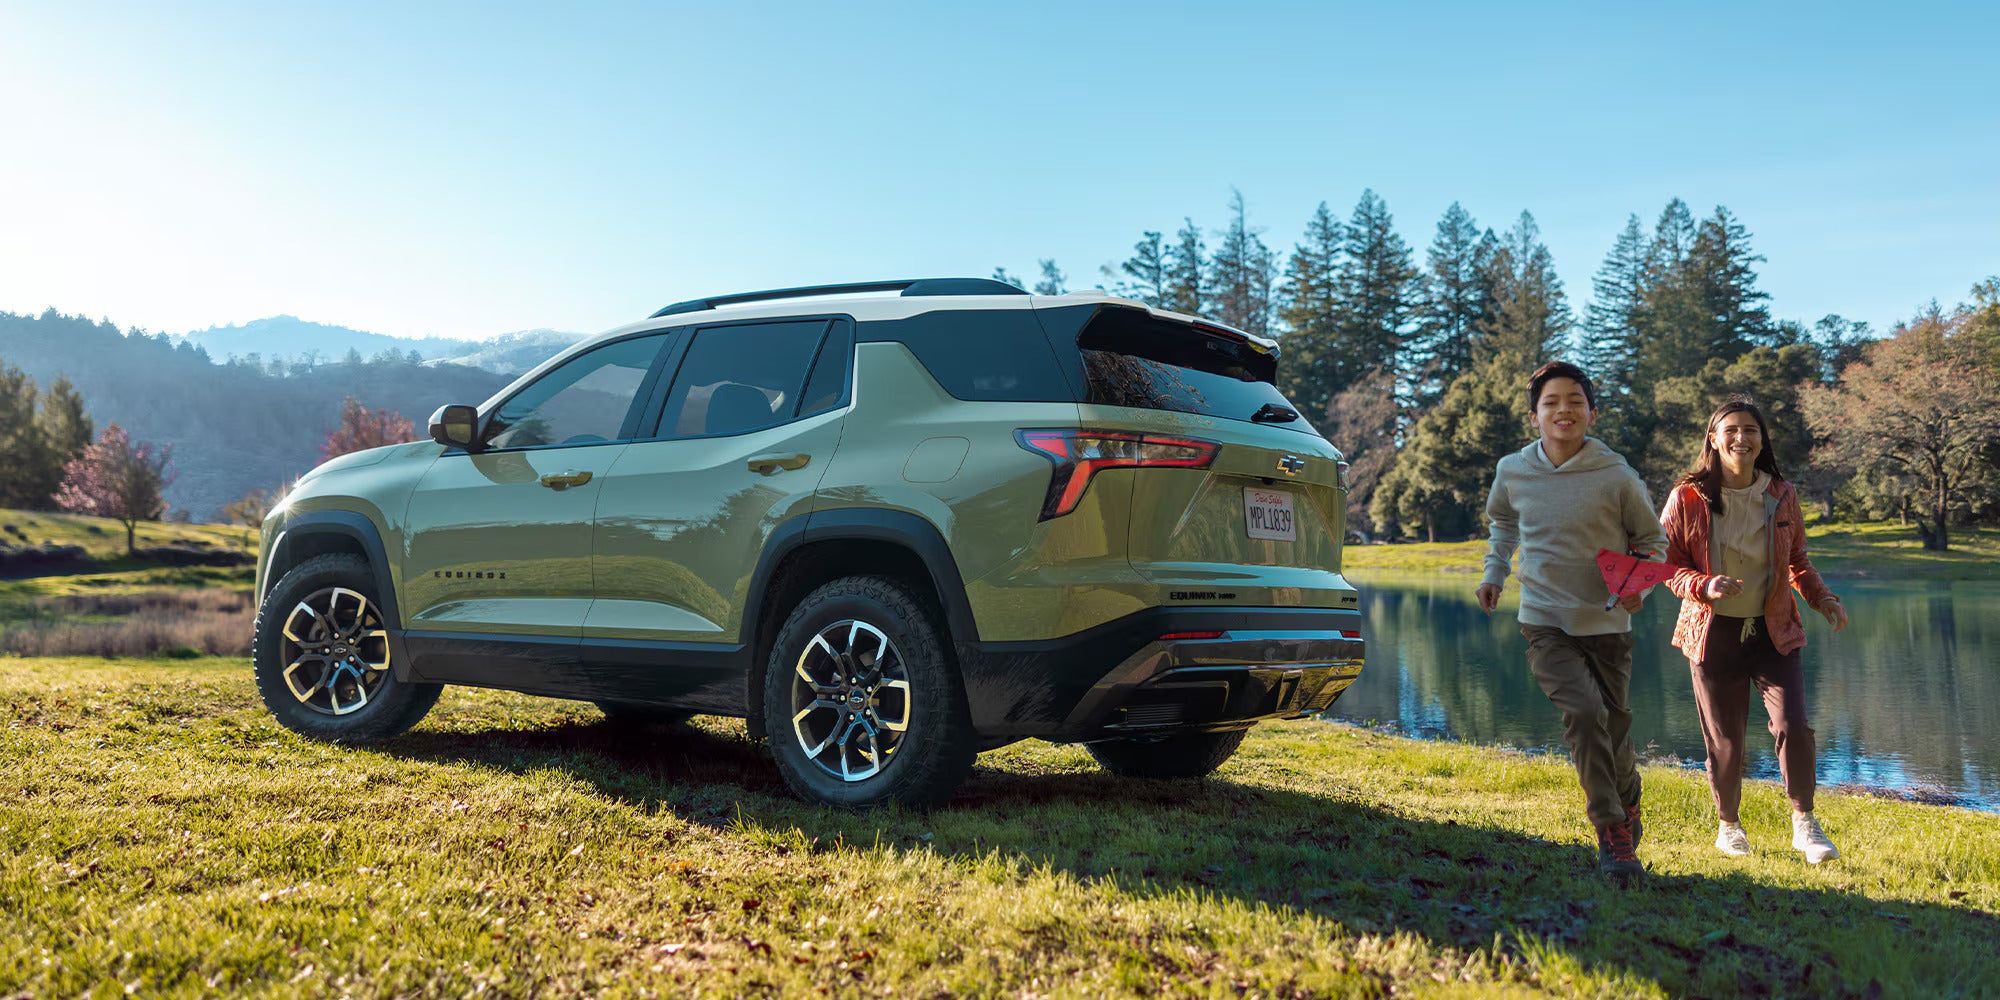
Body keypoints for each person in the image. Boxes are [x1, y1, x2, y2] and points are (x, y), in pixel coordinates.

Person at [1477, 361, 1667, 885]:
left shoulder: (1616, 475)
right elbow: (1503, 522)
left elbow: (1652, 543)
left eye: (1575, 401)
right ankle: (1612, 832)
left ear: (1592, 413)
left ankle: (1627, 799)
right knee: (1584, 715)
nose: (1564, 410)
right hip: (1544, 621)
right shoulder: (1512, 470)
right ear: (1534, 416)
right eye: (1552, 402)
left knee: (1615, 730)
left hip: (1607, 626)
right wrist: (1494, 572)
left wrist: (1639, 587)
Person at [1659, 399, 1848, 863]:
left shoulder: (1781, 493)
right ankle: (1729, 826)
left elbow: (1797, 560)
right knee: (1725, 740)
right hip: (1712, 634)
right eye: (1731, 430)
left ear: (1762, 441)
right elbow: (1666, 565)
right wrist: (1703, 585)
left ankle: (1805, 824)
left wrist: (1823, 598)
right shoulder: (1687, 496)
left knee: (1793, 725)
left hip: (1774, 631)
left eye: (1750, 430)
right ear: (1713, 438)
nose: (1740, 438)